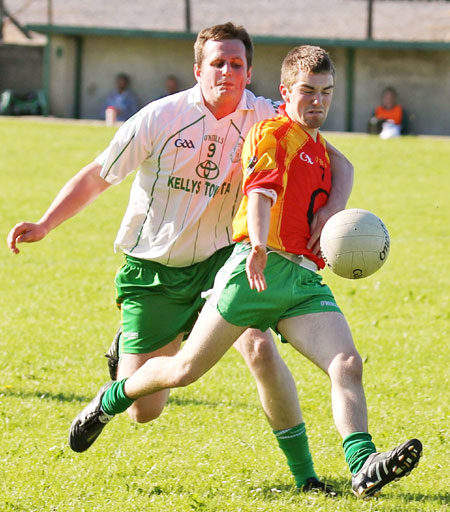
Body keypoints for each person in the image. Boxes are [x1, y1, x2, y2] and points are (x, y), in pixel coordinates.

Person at [7, 23, 354, 494]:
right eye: (217, 63)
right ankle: (140, 351)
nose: (227, 72)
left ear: (249, 72)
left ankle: (305, 478)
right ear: (198, 69)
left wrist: (330, 216)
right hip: (154, 268)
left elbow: (340, 163)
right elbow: (97, 175)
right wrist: (46, 223)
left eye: (236, 64)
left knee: (260, 347)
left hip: (223, 261)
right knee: (145, 411)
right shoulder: (161, 116)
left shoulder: (269, 116)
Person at [67, 44, 422, 498]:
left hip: (301, 281)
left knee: (346, 363)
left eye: (327, 93)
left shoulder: (317, 147)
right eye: (308, 92)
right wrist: (256, 245)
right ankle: (109, 400)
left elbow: (345, 165)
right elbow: (260, 195)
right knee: (183, 370)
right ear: (284, 93)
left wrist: (333, 209)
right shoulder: (271, 134)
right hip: (253, 273)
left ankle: (362, 464)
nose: (318, 102)